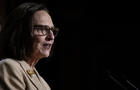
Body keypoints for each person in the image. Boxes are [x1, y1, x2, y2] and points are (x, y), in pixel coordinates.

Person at [0, 2, 59, 90]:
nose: (51, 37)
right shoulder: (9, 66)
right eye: (43, 29)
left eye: (52, 30)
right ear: (22, 32)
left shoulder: (43, 82)